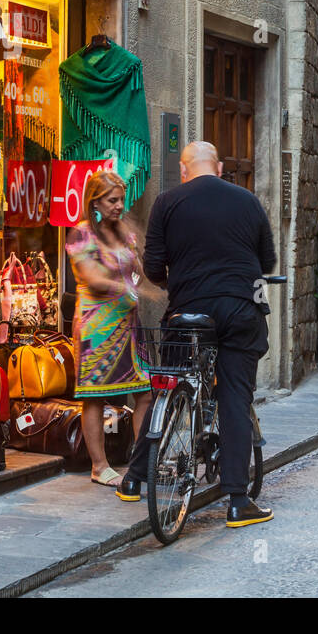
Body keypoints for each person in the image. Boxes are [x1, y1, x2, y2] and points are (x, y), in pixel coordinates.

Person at [118, 141, 278, 529]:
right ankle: (239, 503)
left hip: (188, 314)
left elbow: (154, 267)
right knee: (235, 396)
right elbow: (267, 261)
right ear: (220, 167)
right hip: (240, 309)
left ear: (184, 170)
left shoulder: (167, 203)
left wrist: (187, 278)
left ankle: (134, 478)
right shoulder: (248, 201)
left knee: (167, 388)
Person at [66, 171, 153, 489]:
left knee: (144, 392)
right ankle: (99, 466)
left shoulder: (124, 234)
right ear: (96, 202)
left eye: (121, 199)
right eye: (112, 200)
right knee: (93, 397)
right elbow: (92, 279)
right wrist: (126, 288)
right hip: (97, 329)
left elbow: (138, 271)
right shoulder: (80, 235)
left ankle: (142, 460)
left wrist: (138, 277)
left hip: (129, 327)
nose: (119, 205)